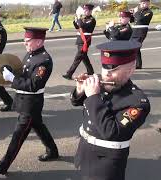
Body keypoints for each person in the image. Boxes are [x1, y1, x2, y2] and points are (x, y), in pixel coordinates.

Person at [70, 41, 150, 180]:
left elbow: (112, 132)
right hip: (85, 151)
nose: (106, 74)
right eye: (104, 67)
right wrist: (79, 90)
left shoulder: (138, 102)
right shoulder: (100, 83)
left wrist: (94, 97)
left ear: (131, 69)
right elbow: (77, 102)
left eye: (113, 69)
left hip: (106, 163)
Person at [0, 27, 59, 176]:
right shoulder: (31, 54)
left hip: (31, 104)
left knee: (17, 136)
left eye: (27, 41)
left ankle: (3, 166)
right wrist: (9, 72)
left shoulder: (44, 60)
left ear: (39, 41)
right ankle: (52, 151)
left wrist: (12, 79)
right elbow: (22, 72)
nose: (24, 43)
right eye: (24, 40)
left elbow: (34, 85)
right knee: (39, 126)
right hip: (24, 100)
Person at [62, 4, 96, 80]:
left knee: (78, 58)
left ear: (90, 11)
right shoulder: (82, 18)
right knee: (84, 57)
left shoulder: (92, 20)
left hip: (85, 41)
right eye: (84, 10)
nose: (84, 11)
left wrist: (78, 19)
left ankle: (69, 73)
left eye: (86, 10)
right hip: (80, 40)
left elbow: (82, 25)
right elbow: (78, 27)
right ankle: (90, 71)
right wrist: (75, 21)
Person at [130, 0, 153, 69]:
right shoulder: (139, 11)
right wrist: (131, 14)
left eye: (146, 3)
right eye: (143, 3)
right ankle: (138, 64)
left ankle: (136, 64)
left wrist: (136, 12)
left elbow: (140, 19)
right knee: (134, 47)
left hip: (141, 32)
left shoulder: (149, 12)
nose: (144, 4)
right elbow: (132, 21)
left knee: (135, 47)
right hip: (134, 31)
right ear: (140, 3)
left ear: (148, 3)